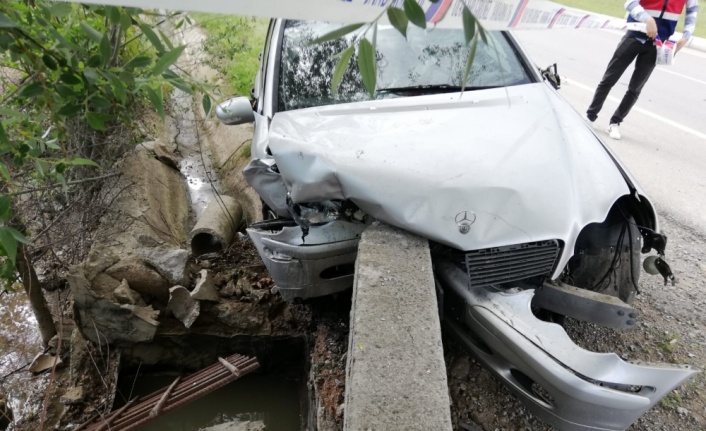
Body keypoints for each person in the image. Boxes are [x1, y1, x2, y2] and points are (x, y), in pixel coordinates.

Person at [586, 0, 698, 140]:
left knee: (635, 88)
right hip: (634, 37)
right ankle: (590, 117)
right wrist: (647, 19)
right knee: (609, 79)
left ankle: (615, 122)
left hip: (657, 44)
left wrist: (686, 37)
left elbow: (692, 13)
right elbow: (630, 3)